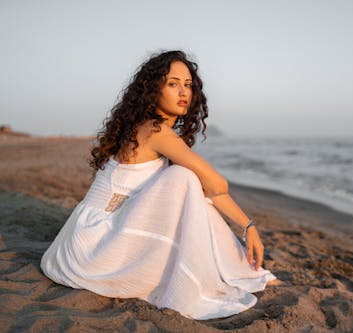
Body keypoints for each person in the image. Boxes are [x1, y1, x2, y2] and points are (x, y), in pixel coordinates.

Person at [40, 50, 281, 320]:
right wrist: (248, 226)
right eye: (173, 83)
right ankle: (250, 272)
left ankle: (249, 272)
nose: (183, 92)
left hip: (88, 238)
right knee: (184, 178)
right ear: (153, 90)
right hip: (94, 249)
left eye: (188, 85)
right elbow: (217, 183)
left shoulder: (142, 128)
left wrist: (247, 226)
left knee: (189, 184)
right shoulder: (155, 131)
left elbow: (210, 191)